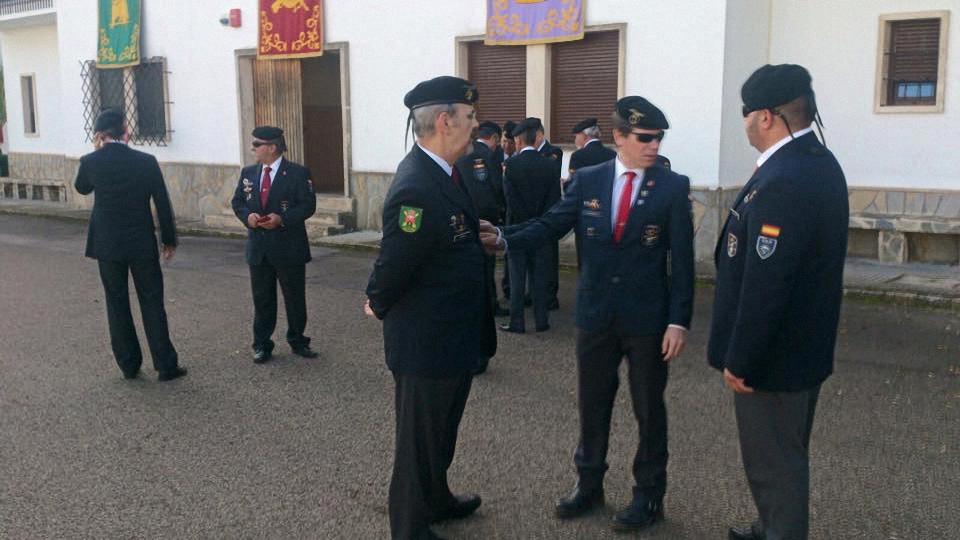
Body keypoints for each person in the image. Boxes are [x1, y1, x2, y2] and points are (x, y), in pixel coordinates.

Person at [480, 96, 694, 533]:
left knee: (649, 410)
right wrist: (504, 239)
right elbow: (551, 224)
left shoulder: (672, 186)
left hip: (648, 320)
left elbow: (684, 263)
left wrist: (678, 320)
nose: (654, 146)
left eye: (658, 138)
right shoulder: (590, 179)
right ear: (619, 138)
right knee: (592, 405)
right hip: (596, 315)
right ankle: (589, 484)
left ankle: (649, 496)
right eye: (645, 138)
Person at [709, 64, 848, 540]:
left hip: (774, 360)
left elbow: (767, 284)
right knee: (783, 457)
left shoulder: (786, 177)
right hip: (799, 351)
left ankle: (780, 531)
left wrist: (740, 358)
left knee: (776, 467)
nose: (743, 122)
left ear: (765, 117)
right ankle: (770, 527)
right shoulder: (816, 161)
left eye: (746, 113)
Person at [364, 76, 496, 540]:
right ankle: (410, 527)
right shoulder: (417, 186)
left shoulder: (446, 171)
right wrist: (376, 300)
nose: (476, 125)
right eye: (470, 117)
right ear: (445, 121)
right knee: (418, 443)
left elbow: (443, 238)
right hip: (426, 340)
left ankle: (436, 499)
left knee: (441, 433)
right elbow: (396, 259)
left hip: (451, 335)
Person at [74, 109, 187, 382]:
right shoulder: (146, 161)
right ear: (126, 130)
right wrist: (169, 239)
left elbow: (81, 188)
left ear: (101, 134)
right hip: (140, 241)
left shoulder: (90, 161)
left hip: (107, 243)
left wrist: (95, 150)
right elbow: (161, 202)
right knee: (152, 300)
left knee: (116, 301)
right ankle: (165, 364)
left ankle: (129, 364)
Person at [231, 126, 318, 364]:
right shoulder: (249, 173)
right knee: (262, 300)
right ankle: (262, 344)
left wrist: (282, 219)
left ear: (271, 148)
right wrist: (247, 217)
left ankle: (298, 340)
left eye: (257, 144)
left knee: (294, 298)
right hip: (259, 248)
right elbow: (238, 201)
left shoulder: (298, 173)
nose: (253, 148)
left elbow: (308, 205)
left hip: (288, 247)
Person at [499, 117, 561, 333]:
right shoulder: (550, 165)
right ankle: (541, 320)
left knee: (517, 279)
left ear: (518, 141)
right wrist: (541, 222)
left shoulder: (511, 165)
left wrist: (521, 224)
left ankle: (517, 322)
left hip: (518, 229)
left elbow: (510, 200)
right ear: (536, 139)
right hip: (542, 228)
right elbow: (554, 200)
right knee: (540, 278)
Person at [568, 118, 617, 270]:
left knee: (585, 262)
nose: (576, 139)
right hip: (608, 215)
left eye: (577, 135)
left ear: (584, 135)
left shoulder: (578, 156)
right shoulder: (612, 155)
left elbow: (572, 187)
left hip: (585, 215)